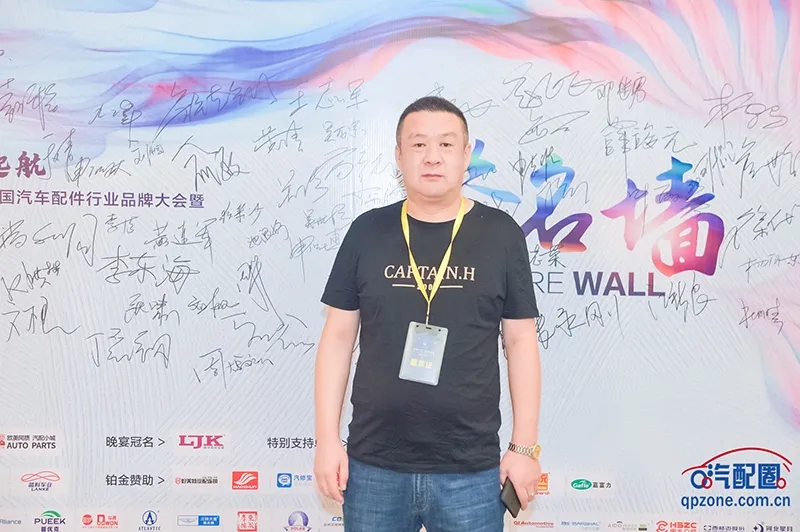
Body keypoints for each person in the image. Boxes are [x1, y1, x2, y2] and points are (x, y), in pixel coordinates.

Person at [313, 95, 542, 532]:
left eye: (446, 144)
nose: (432, 157)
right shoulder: (366, 231)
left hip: (471, 469)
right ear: (399, 155)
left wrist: (524, 448)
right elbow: (338, 338)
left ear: (466, 155)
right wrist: (326, 441)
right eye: (418, 144)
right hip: (373, 465)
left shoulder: (501, 235)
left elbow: (521, 341)